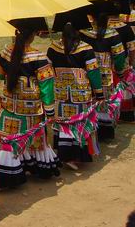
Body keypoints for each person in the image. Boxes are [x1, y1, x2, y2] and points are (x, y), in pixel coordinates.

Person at [0, 18, 60, 189]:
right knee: (33, 139)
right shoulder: (39, 57)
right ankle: (33, 167)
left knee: (8, 140)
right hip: (32, 111)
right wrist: (50, 113)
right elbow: (46, 89)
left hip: (9, 107)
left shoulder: (7, 51)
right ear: (34, 34)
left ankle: (5, 170)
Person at [47, 25, 103, 170]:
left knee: (63, 121)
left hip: (61, 93)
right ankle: (75, 155)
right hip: (80, 94)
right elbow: (93, 73)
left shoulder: (53, 48)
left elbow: (48, 69)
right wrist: (99, 93)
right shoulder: (86, 48)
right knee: (78, 122)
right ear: (78, 33)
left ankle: (64, 153)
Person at [79, 5, 131, 141]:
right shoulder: (113, 34)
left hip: (86, 75)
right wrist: (120, 73)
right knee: (104, 102)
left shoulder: (84, 33)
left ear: (91, 17)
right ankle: (104, 133)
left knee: (89, 101)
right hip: (105, 75)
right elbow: (119, 58)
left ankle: (89, 131)